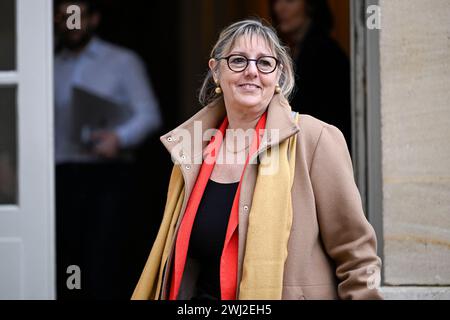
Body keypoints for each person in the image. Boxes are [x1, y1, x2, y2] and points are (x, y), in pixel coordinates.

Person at [132, 19, 382, 300]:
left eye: (265, 63)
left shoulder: (315, 139)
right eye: (238, 60)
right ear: (216, 71)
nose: (252, 71)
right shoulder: (190, 149)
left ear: (279, 75)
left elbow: (357, 256)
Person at [54, 0, 162, 299]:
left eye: (76, 15)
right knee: (65, 260)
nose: (70, 23)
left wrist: (120, 137)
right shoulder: (45, 66)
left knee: (104, 262)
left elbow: (149, 114)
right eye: (62, 16)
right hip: (59, 176)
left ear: (94, 18)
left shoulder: (122, 62)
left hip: (108, 177)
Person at [271, 0, 352, 148]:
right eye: (276, 1)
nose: (279, 8)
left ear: (310, 5)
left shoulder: (325, 52)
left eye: (289, 1)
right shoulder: (293, 50)